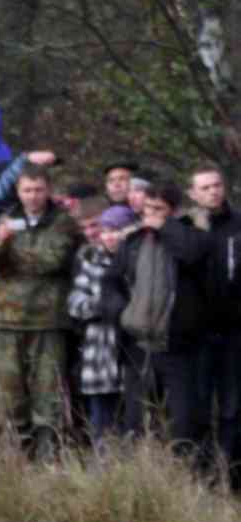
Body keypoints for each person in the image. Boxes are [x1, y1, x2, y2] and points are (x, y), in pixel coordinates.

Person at [103, 179, 214, 456]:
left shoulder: (192, 236)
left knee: (183, 424)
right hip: (137, 346)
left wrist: (164, 227)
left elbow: (192, 253)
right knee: (135, 422)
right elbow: (111, 283)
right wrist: (120, 312)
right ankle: (138, 477)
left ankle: (182, 479)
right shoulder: (133, 241)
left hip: (177, 346)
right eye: (148, 208)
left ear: (173, 211)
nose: (151, 215)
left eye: (159, 209)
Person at [0, 164, 81, 458]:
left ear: (47, 190)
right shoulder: (7, 219)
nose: (33, 196)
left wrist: (15, 255)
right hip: (6, 319)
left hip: (47, 319)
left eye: (38, 190)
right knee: (8, 397)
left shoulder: (62, 221)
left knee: (48, 395)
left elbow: (54, 259)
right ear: (18, 191)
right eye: (27, 190)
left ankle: (49, 460)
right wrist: (1, 244)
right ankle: (15, 461)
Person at [189, 164, 241, 488]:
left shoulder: (238, 226)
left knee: (233, 407)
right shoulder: (186, 227)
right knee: (198, 406)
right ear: (193, 193)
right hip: (196, 332)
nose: (213, 192)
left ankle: (230, 475)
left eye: (217, 185)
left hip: (234, 329)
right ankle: (202, 475)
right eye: (205, 187)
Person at [66, 206, 131, 448]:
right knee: (101, 421)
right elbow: (75, 304)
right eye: (106, 231)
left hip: (132, 353)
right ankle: (103, 472)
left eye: (118, 230)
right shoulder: (91, 260)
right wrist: (103, 304)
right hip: (99, 353)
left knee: (132, 421)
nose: (111, 236)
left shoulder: (137, 259)